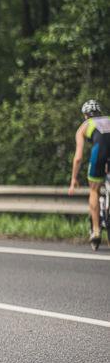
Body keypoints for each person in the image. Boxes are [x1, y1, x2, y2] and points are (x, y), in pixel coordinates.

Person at [68, 99, 110, 250]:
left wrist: (74, 179)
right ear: (100, 112)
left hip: (99, 154)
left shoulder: (84, 126)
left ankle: (96, 231)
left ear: (85, 115)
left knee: (94, 190)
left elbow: (78, 158)